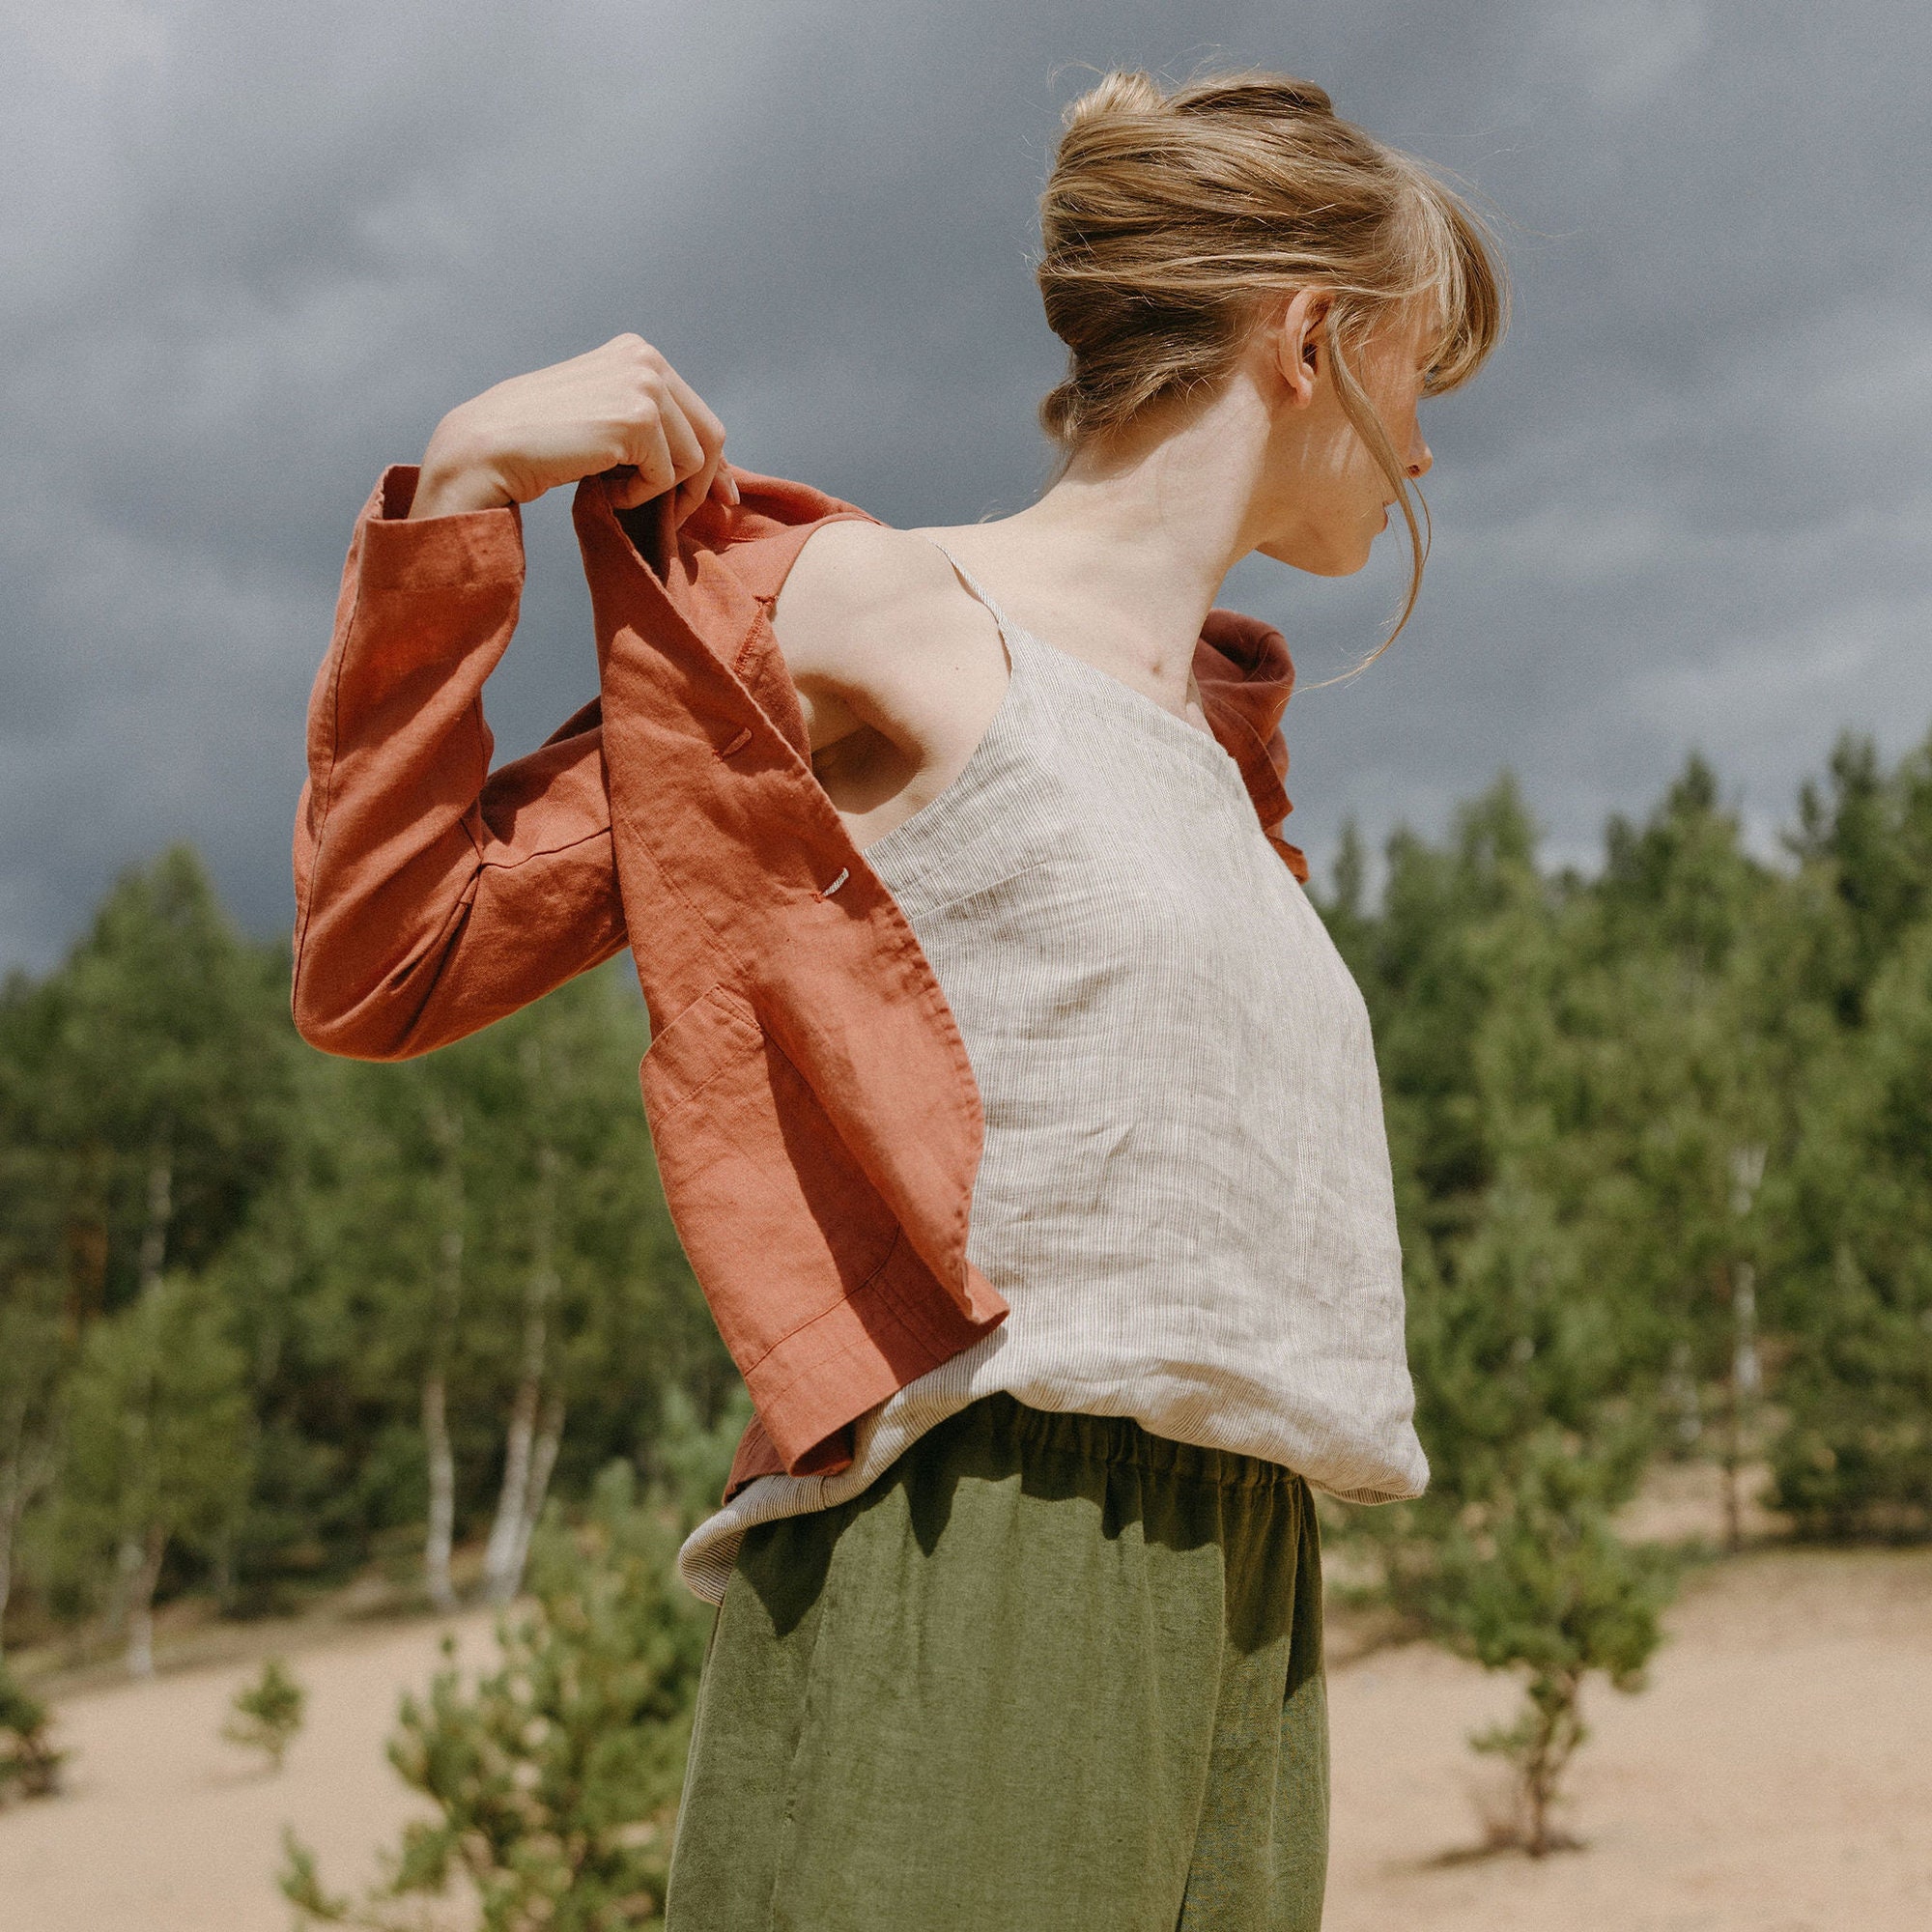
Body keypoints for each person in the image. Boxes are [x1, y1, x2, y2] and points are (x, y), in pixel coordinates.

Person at [293, 68, 1504, 1932]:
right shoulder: (882, 609)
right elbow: (393, 951)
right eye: (1425, 380)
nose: (1426, 452)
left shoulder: (1209, 741)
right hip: (981, 1545)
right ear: (1310, 338)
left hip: (1251, 1583)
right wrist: (462, 495)